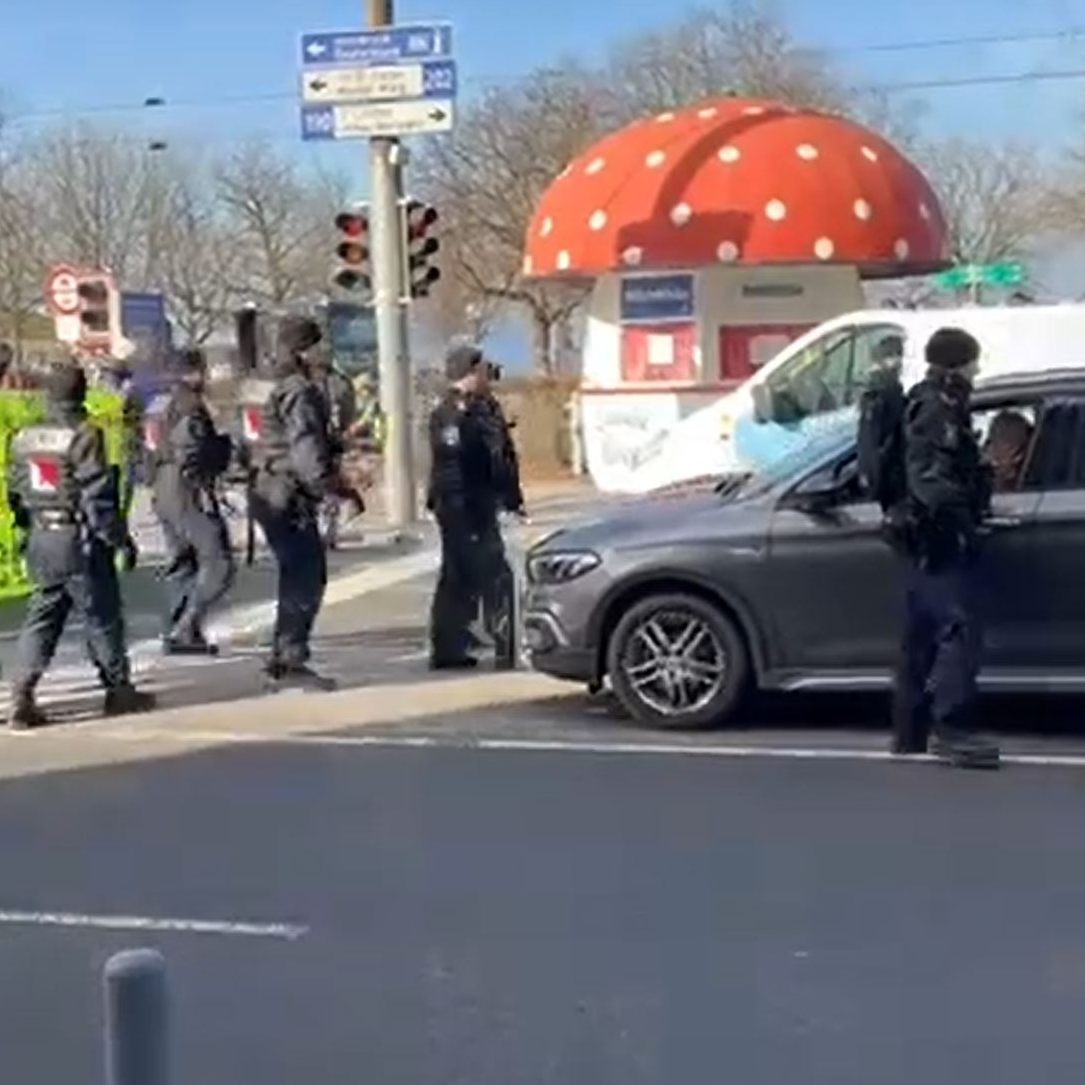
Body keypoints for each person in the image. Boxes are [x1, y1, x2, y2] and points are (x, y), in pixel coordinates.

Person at [6, 364, 154, 729]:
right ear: (81, 393)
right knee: (102, 617)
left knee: (42, 617)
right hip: (79, 540)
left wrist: (30, 526)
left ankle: (22, 693)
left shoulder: (24, 436)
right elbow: (97, 498)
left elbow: (16, 492)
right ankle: (118, 690)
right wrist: (119, 539)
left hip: (42, 538)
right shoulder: (84, 434)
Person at [892, 327, 999, 769]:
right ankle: (949, 729)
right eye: (972, 361)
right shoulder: (937, 408)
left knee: (922, 635)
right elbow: (930, 479)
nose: (976, 369)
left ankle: (910, 732)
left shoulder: (940, 402)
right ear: (957, 363)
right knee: (957, 630)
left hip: (928, 536)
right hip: (938, 535)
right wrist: (963, 524)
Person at [248, 316, 337, 691]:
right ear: (305, 348)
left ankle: (282, 656)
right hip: (289, 492)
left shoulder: (261, 382)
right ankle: (290, 659)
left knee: (293, 573)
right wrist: (327, 487)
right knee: (307, 575)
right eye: (318, 344)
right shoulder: (298, 389)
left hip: (265, 487)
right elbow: (304, 448)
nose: (323, 351)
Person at [426, 345, 513, 669]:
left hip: (480, 501)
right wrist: (460, 507)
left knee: (477, 574)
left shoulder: (484, 408)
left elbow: (501, 456)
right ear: (469, 373)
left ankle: (475, 641)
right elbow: (451, 463)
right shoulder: (451, 412)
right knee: (469, 575)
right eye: (482, 370)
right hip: (461, 505)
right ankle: (458, 646)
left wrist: (511, 497)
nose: (488, 376)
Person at [151, 349, 235, 655]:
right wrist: (222, 453)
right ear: (193, 373)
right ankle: (186, 627)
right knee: (219, 562)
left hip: (163, 488)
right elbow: (194, 452)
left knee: (182, 562)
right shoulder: (191, 406)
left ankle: (177, 630)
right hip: (189, 490)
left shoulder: (158, 404)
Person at [310, 351, 359, 550]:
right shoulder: (342, 383)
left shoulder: (306, 382)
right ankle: (329, 531)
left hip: (316, 440)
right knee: (330, 483)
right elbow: (349, 413)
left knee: (318, 484)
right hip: (333, 441)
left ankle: (322, 531)